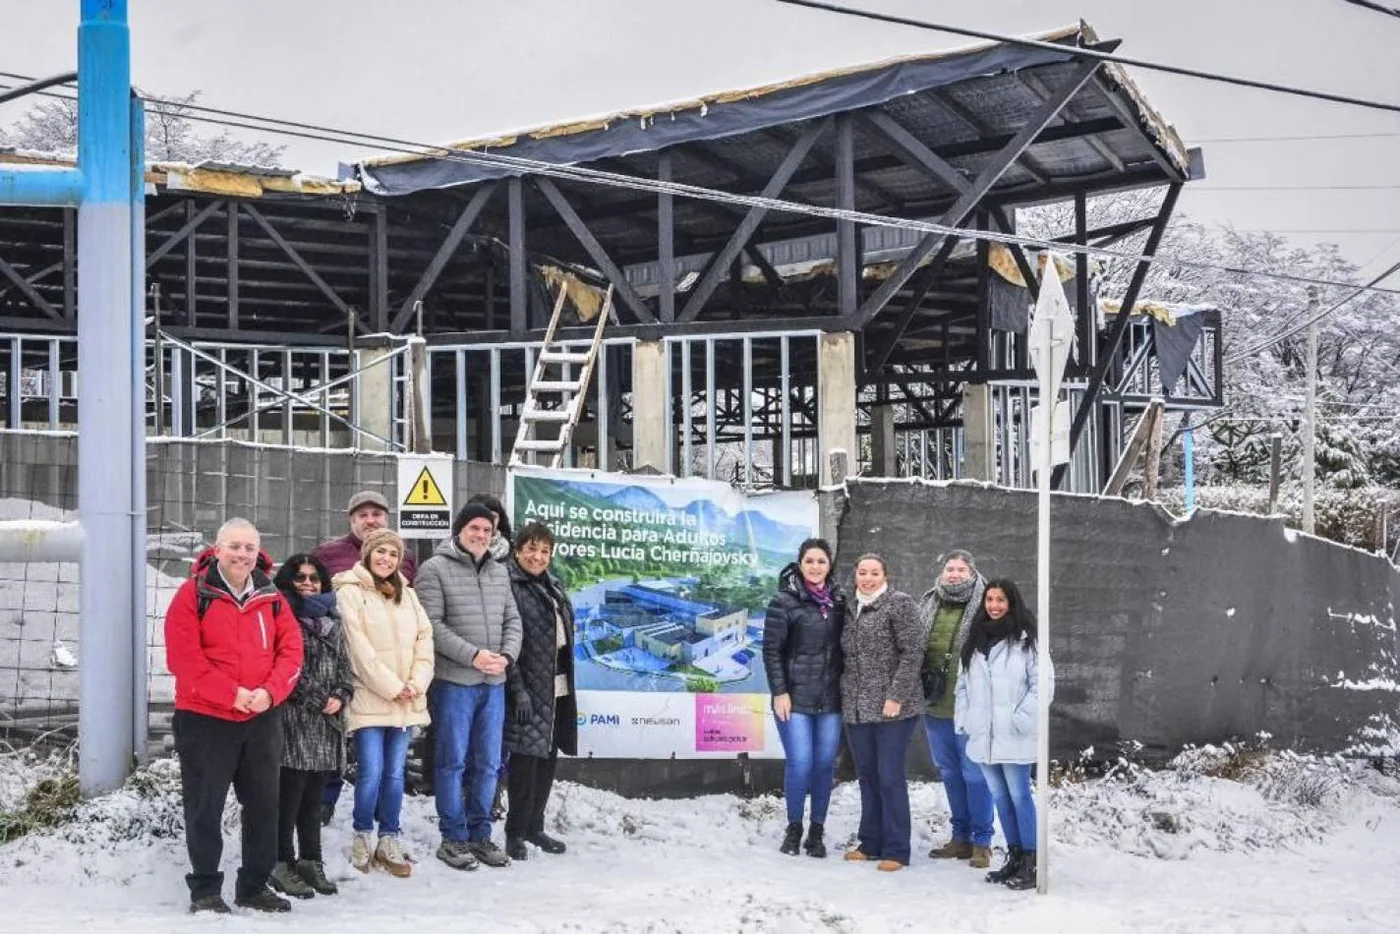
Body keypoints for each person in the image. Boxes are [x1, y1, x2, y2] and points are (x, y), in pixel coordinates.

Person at [165, 518, 304, 914]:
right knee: (204, 804)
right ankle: (205, 889)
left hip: (261, 717)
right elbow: (184, 659)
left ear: (258, 553)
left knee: (263, 804)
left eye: (248, 548)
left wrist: (269, 693)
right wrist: (232, 694)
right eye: (234, 546)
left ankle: (254, 886)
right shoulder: (193, 594)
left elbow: (291, 651)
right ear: (217, 548)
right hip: (205, 718)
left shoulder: (271, 596)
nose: (242, 554)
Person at [417, 502, 523, 871]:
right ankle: (453, 837)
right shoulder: (434, 570)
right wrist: (473, 655)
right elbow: (431, 625)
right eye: (473, 528)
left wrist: (506, 656)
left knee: (489, 763)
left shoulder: (498, 571)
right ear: (459, 530)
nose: (480, 535)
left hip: (494, 683)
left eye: (486, 530)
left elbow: (513, 619)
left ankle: (481, 835)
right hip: (454, 683)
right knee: (452, 761)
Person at [334, 528, 435, 878]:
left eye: (393, 554)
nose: (386, 559)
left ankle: (389, 836)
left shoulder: (407, 594)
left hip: (406, 700)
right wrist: (393, 687)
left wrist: (416, 683)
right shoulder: (349, 593)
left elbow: (425, 639)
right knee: (371, 771)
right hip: (370, 698)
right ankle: (363, 834)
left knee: (395, 774)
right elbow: (357, 649)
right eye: (380, 552)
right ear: (367, 554)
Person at [312, 490, 417, 823]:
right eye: (363, 515)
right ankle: (324, 799)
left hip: (387, 666)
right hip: (337, 660)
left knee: (375, 752)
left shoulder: (404, 557)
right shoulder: (327, 555)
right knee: (333, 733)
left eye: (377, 514)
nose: (371, 520)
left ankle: (377, 813)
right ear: (351, 519)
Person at [954, 578, 1055, 891]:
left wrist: (1020, 719)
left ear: (1012, 603)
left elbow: (1043, 685)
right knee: (1000, 797)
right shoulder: (975, 641)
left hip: (1015, 735)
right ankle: (1013, 857)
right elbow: (963, 686)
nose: (994, 606)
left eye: (1000, 600)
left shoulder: (1027, 641)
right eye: (989, 600)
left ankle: (1031, 861)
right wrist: (966, 718)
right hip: (983, 736)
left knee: (1020, 796)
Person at [268, 554, 353, 900]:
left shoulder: (333, 619)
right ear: (288, 581)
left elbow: (345, 665)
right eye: (300, 578)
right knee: (288, 799)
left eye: (314, 578)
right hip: (294, 721)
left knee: (313, 800)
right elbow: (286, 667)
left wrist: (341, 694)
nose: (307, 584)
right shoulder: (282, 616)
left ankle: (310, 860)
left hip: (326, 724)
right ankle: (281, 862)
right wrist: (320, 698)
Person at [839, 553, 925, 873]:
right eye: (862, 572)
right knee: (868, 777)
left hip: (893, 710)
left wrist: (896, 695)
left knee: (889, 777)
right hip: (858, 709)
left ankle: (897, 849)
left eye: (875, 573)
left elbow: (914, 651)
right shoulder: (849, 607)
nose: (868, 578)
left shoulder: (899, 603)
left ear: (885, 575)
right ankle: (870, 842)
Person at [763, 537, 847, 859]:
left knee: (824, 765)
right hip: (794, 698)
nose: (815, 567)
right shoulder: (784, 602)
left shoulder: (839, 602)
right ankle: (794, 826)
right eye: (809, 561)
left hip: (830, 700)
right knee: (800, 763)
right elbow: (772, 651)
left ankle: (817, 830)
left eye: (821, 561)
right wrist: (779, 692)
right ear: (800, 564)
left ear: (829, 566)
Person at [502, 521, 577, 860]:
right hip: (528, 690)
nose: (538, 556)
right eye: (531, 549)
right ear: (517, 550)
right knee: (524, 763)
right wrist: (518, 690)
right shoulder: (510, 585)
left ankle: (535, 826)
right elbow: (508, 643)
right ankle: (515, 832)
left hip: (557, 687)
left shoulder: (553, 586)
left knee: (547, 760)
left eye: (545, 550)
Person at [918, 549, 994, 869]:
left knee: (974, 775)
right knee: (949, 772)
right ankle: (960, 837)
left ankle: (982, 842)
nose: (955, 574)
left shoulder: (986, 605)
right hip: (935, 706)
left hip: (971, 708)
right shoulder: (929, 600)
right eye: (950, 568)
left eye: (962, 569)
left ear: (973, 572)